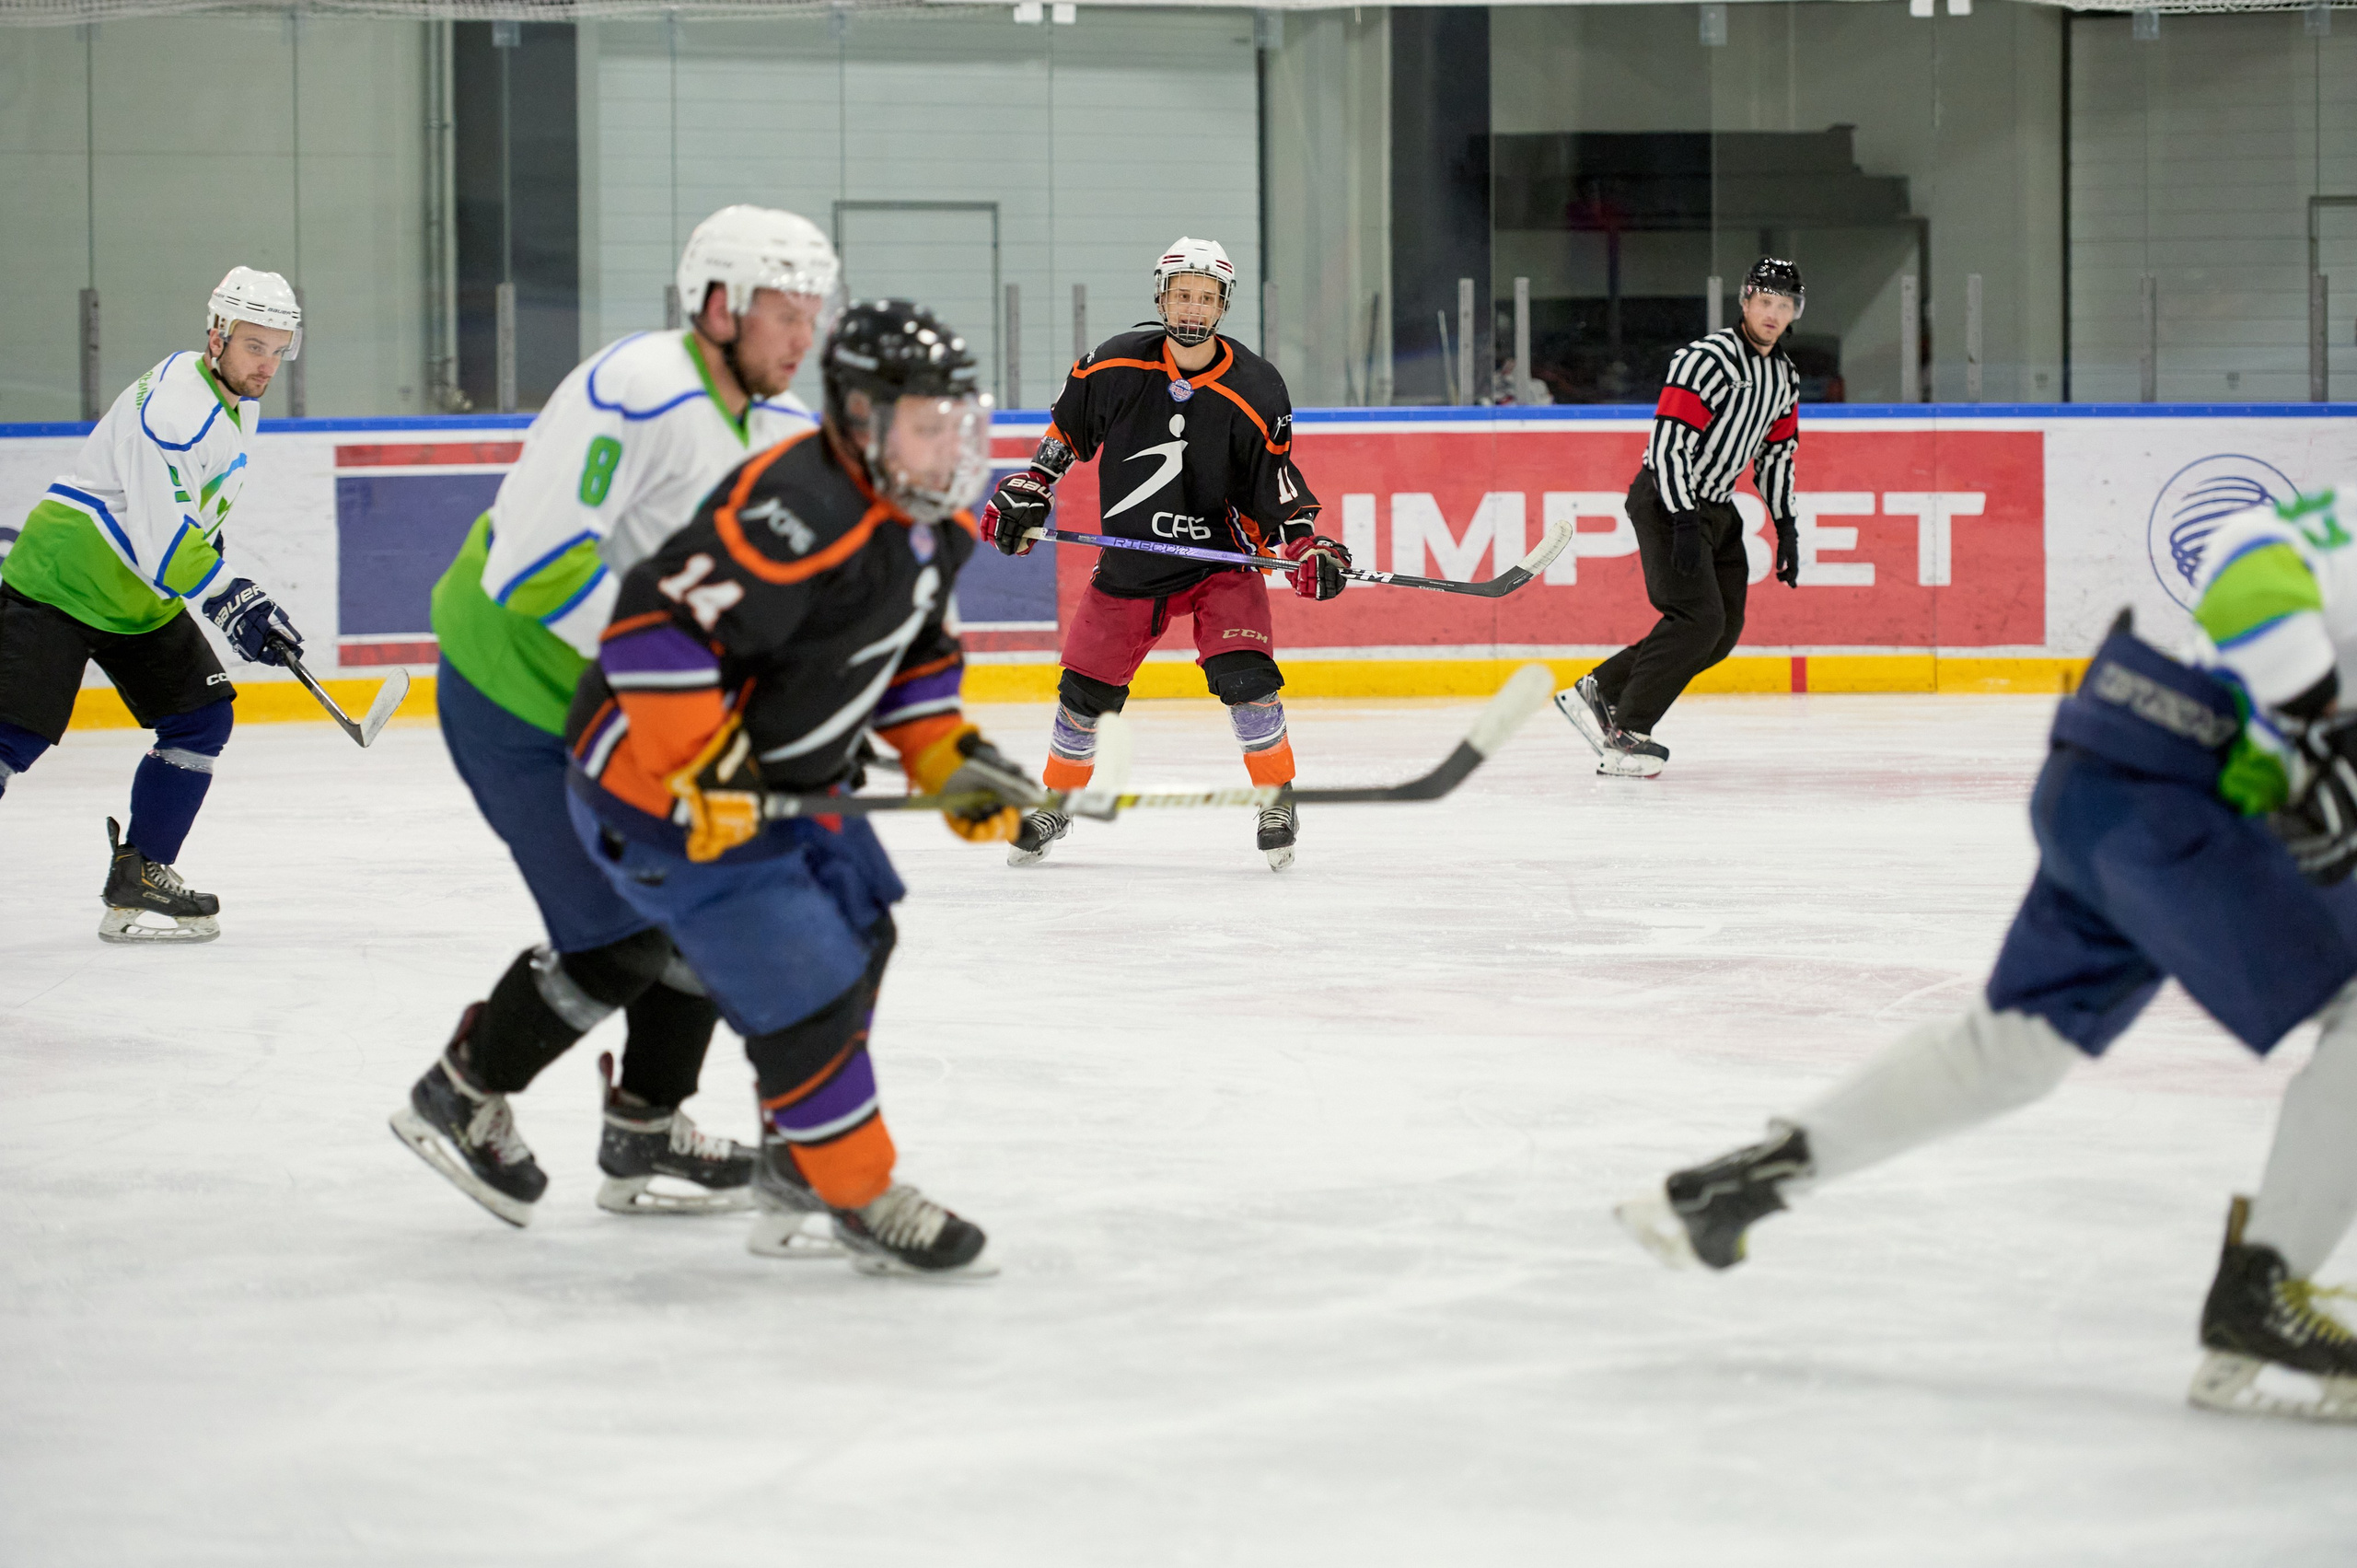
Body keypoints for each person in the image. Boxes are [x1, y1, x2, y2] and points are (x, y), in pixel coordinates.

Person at [1617, 482, 2357, 1422]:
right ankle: (2263, 1294)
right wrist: (2325, 725)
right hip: (2175, 803)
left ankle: (1737, 1185)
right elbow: (2248, 581)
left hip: (2111, 779)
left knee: (2008, 1050)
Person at [389, 207, 839, 1226]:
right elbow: (536, 570)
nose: (802, 335)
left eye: (813, 312)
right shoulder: (636, 389)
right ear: (717, 307)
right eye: (783, 311)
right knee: (620, 939)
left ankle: (645, 1125)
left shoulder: (781, 431)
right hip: (513, 688)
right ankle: (457, 1095)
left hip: (626, 707)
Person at [561, 299, 1025, 1276]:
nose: (949, 447)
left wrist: (944, 757)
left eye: (955, 423)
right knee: (808, 980)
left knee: (860, 928)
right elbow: (652, 630)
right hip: (658, 795)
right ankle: (853, 1192)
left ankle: (790, 1166)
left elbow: (909, 663)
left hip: (781, 787)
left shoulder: (929, 528)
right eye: (924, 425)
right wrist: (699, 760)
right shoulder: (799, 509)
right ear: (860, 417)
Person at [979, 236, 1349, 871]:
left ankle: (1276, 799)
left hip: (1219, 564)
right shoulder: (1113, 365)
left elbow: (1277, 483)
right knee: (1081, 697)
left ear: (1223, 305)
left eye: (1206, 297)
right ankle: (1056, 802)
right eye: (1183, 294)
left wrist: (1306, 541)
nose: (1193, 308)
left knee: (1247, 683)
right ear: (1161, 295)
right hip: (1132, 564)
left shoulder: (1257, 386)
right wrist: (1031, 485)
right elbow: (1065, 435)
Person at [0, 267, 305, 944]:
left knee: (199, 717)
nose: (268, 366)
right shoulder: (174, 409)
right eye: (256, 346)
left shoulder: (232, 399)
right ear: (217, 334)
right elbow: (163, 539)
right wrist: (234, 599)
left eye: (281, 350)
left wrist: (231, 591)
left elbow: (192, 517)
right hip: (65, 580)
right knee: (10, 738)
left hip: (135, 593)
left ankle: (140, 872)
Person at [1556, 257, 1805, 778]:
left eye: (1784, 306)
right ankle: (1626, 735)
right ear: (1745, 301)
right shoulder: (1707, 360)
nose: (1772, 314)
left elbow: (1778, 456)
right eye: (1764, 301)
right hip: (1669, 499)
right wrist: (1684, 520)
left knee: (1721, 631)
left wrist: (1786, 528)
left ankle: (1598, 691)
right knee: (1697, 619)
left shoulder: (1784, 376)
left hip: (1719, 507)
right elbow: (1669, 443)